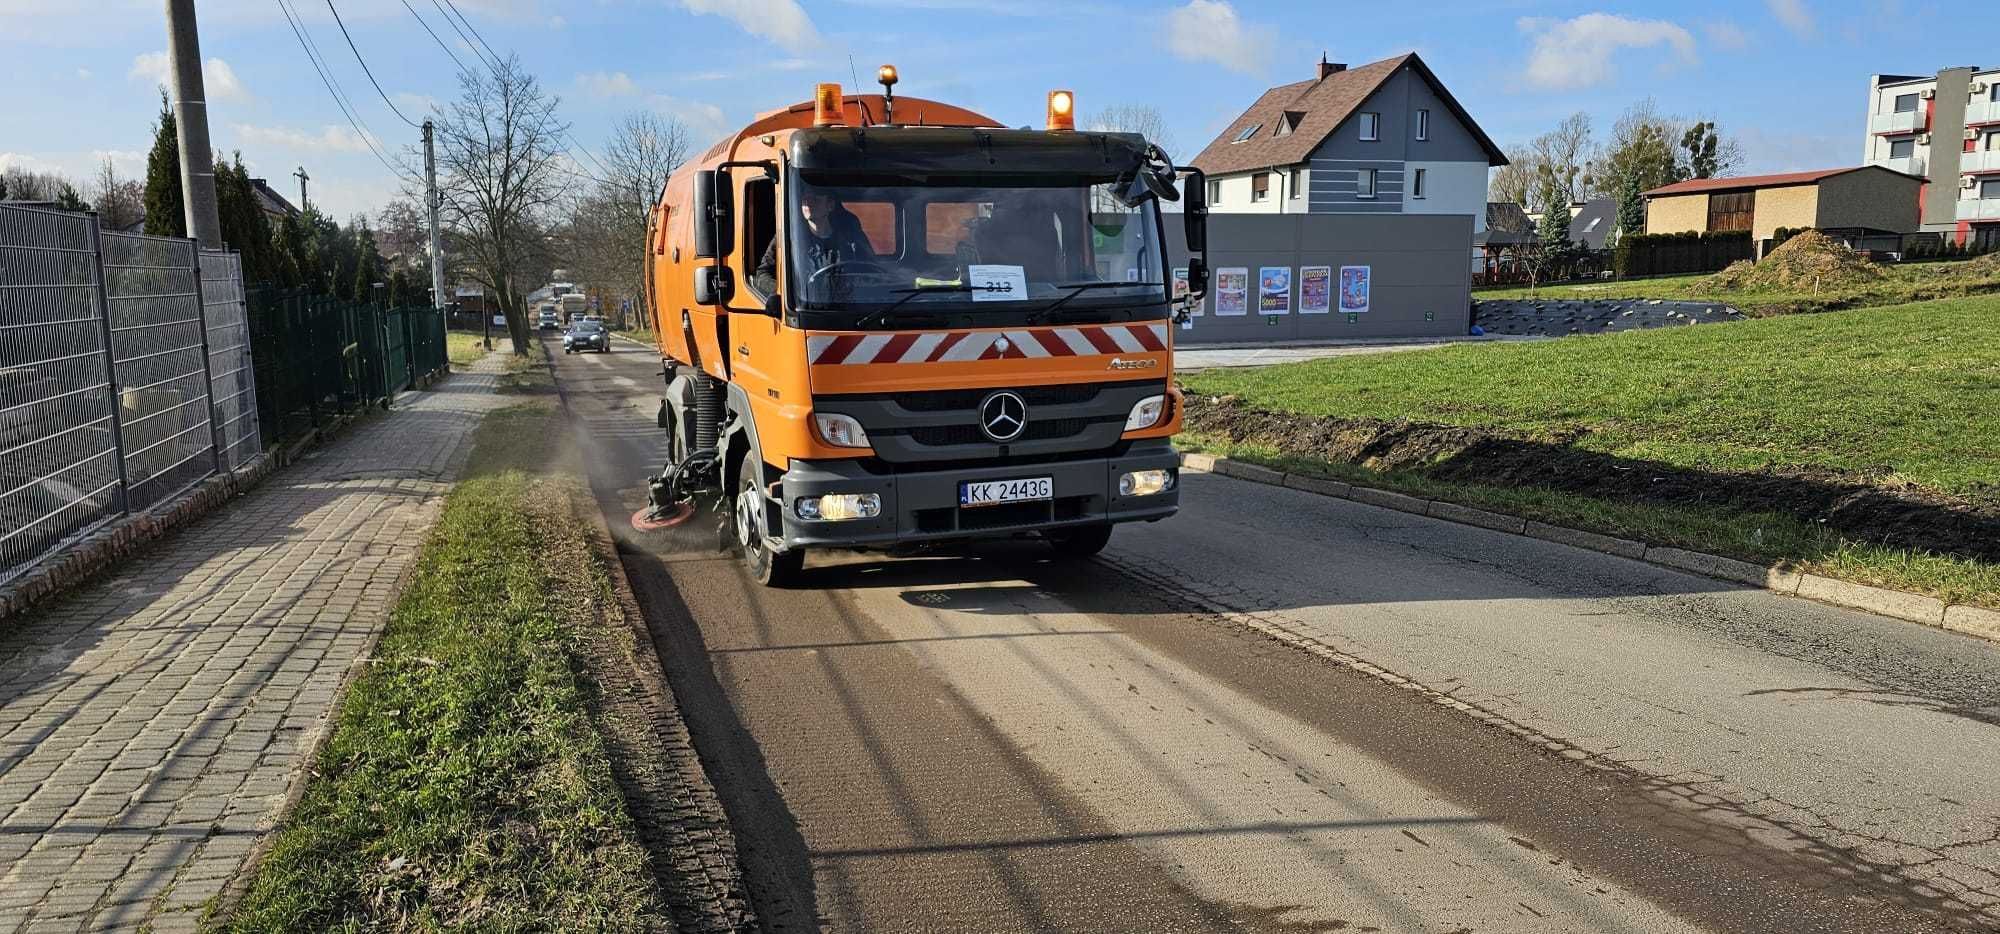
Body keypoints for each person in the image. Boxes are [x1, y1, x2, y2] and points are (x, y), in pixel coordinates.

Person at [751, 189, 874, 299]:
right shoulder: (788, 238)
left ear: (830, 205)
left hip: (847, 308)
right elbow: (762, 274)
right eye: (805, 199)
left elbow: (871, 270)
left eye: (815, 199)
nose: (808, 203)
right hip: (806, 310)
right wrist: (783, 295)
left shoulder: (850, 241)